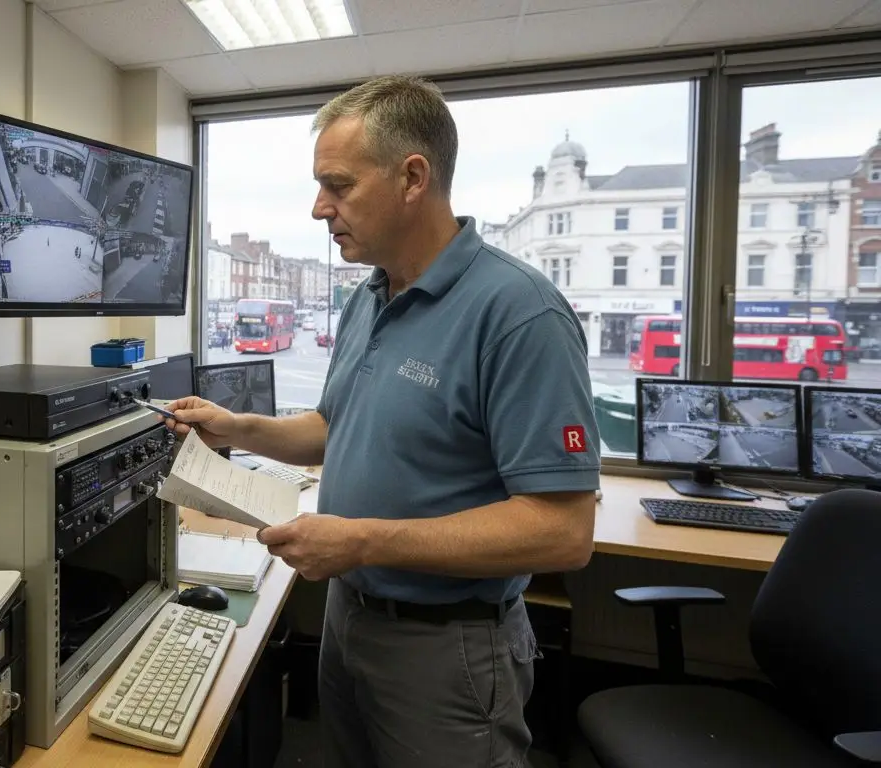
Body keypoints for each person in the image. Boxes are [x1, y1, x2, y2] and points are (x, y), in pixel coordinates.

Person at [160, 75, 599, 768]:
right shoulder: (368, 296)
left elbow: (562, 531)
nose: (319, 208)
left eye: (338, 185)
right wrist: (236, 428)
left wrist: (361, 540)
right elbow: (336, 426)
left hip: (447, 645)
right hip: (349, 617)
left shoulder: (520, 313)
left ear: (412, 178)